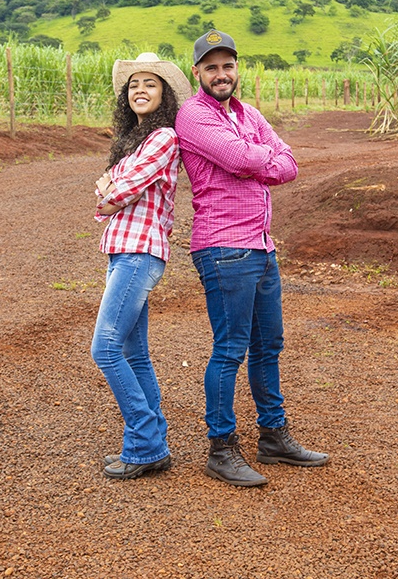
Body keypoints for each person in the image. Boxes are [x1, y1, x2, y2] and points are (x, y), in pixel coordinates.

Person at [175, 29, 329, 487]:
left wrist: (258, 158)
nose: (222, 75)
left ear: (237, 69)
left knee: (269, 346)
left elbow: (289, 163)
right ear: (197, 73)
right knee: (230, 350)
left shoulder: (248, 113)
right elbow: (242, 160)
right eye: (212, 67)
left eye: (228, 66)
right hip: (223, 248)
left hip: (262, 246)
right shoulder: (193, 115)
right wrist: (260, 158)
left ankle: (273, 437)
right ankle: (221, 448)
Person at [91, 51, 191, 480]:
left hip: (139, 252)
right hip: (122, 251)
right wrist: (110, 191)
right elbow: (109, 199)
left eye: (150, 84)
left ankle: (145, 441)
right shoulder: (134, 141)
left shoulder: (164, 137)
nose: (139, 90)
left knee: (105, 347)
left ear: (165, 94)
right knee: (133, 352)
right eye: (133, 85)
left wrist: (109, 187)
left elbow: (116, 193)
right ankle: (153, 444)